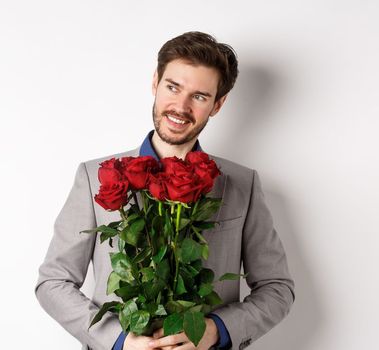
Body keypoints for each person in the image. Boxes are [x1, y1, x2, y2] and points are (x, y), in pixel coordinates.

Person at [35, 31, 295, 350]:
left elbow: (277, 289)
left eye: (199, 96)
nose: (180, 106)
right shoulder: (94, 176)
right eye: (173, 87)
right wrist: (118, 341)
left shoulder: (243, 184)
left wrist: (215, 331)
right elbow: (53, 282)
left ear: (218, 104)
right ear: (155, 82)